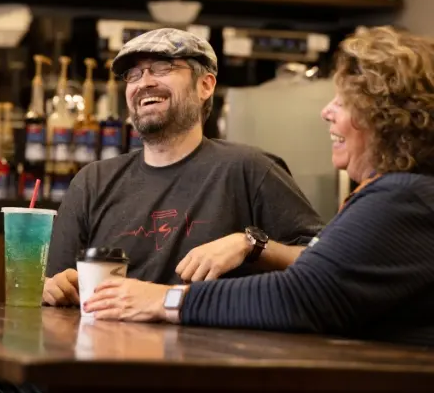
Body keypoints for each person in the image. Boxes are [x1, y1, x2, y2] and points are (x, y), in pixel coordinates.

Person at [84, 26, 434, 348]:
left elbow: (301, 295)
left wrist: (162, 299)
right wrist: (252, 245)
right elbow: (317, 263)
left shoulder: (405, 199)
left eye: (343, 102)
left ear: (386, 117)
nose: (326, 111)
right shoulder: (398, 195)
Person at [43, 28, 325, 307]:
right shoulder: (92, 182)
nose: (144, 83)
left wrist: (251, 245)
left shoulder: (249, 169)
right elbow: (54, 286)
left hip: (208, 350)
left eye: (162, 68)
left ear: (205, 86)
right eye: (134, 74)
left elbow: (326, 264)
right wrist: (53, 289)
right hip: (106, 348)